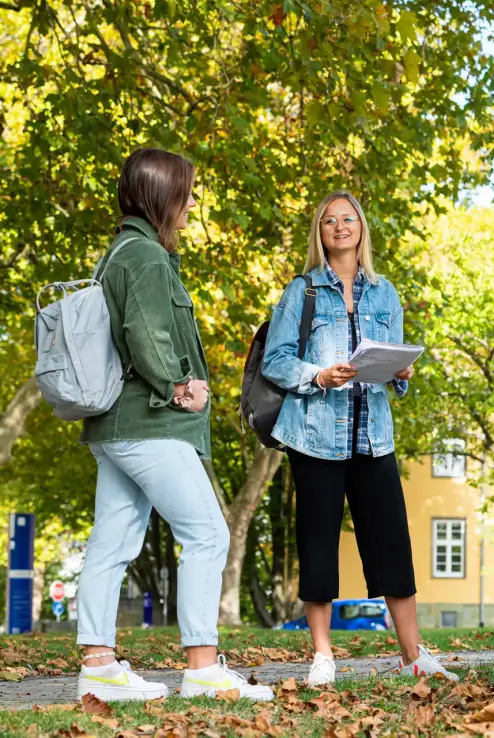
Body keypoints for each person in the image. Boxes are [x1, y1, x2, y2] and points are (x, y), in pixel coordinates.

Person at [76, 148, 274, 703]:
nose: (191, 204)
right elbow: (146, 333)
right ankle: (203, 666)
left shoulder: (119, 252)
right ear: (162, 195)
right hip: (149, 422)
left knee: (111, 541)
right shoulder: (144, 257)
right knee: (208, 533)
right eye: (185, 193)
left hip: (115, 427)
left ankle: (98, 665)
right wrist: (177, 385)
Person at [262, 191, 457, 687]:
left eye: (348, 219)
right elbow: (276, 361)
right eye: (330, 220)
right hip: (314, 437)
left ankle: (413, 654)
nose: (340, 226)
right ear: (320, 232)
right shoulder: (301, 292)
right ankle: (323, 656)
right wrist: (319, 375)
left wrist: (402, 371)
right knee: (318, 545)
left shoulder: (384, 292)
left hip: (374, 439)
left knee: (393, 544)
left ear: (361, 228)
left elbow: (392, 363)